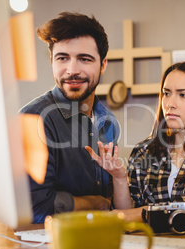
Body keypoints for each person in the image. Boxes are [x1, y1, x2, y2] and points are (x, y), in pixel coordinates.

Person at [86, 61, 185, 222]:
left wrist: (146, 212)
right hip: (153, 245)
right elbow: (126, 215)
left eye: (183, 95)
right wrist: (119, 179)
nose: (170, 104)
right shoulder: (143, 151)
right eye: (166, 93)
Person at [20, 12, 120, 223]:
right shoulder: (34, 119)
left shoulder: (109, 122)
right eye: (62, 58)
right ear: (52, 62)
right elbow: (35, 209)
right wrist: (97, 203)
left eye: (84, 59)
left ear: (103, 65)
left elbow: (112, 194)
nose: (72, 70)